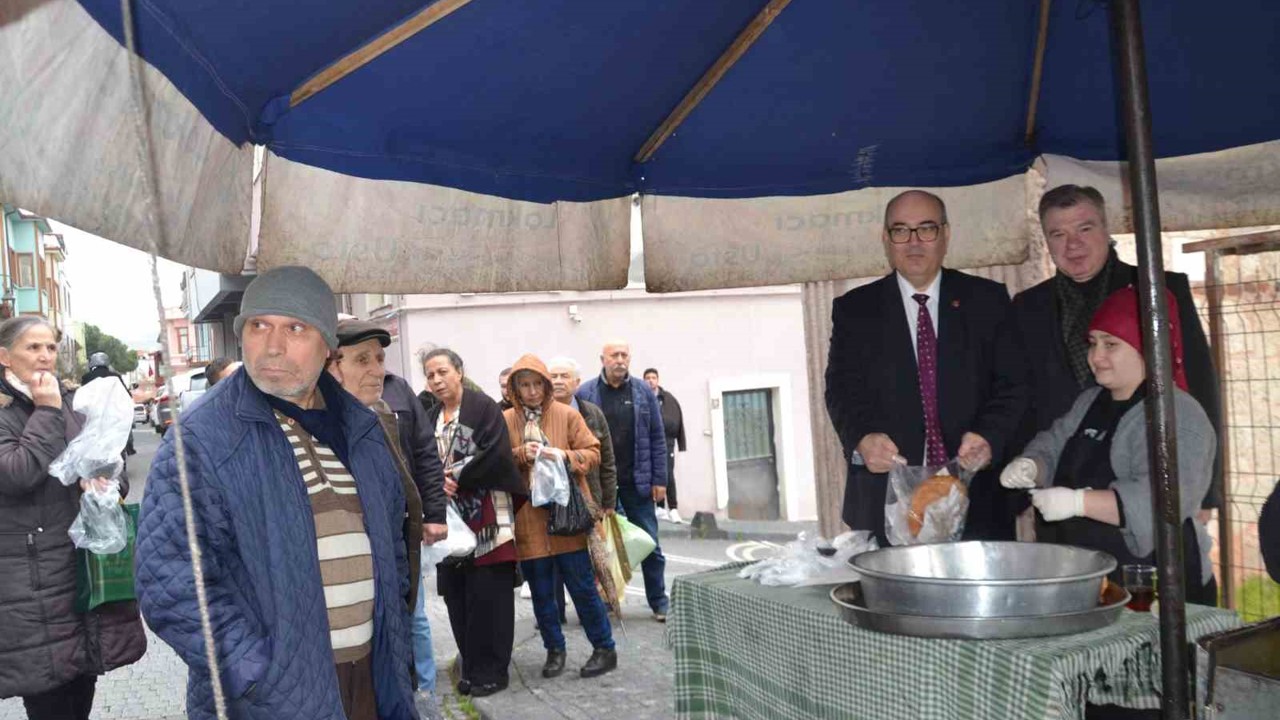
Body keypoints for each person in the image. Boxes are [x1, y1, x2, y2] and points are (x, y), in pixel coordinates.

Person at [136, 266, 417, 719]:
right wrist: (255, 672)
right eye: (258, 325)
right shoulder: (203, 437)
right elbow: (171, 581)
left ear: (327, 346)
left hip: (369, 680)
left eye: (295, 328)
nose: (272, 345)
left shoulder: (361, 430)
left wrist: (395, 646)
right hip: (268, 698)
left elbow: (393, 552)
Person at [824, 190, 1028, 545]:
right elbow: (841, 390)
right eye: (901, 230)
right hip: (887, 498)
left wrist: (989, 436)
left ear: (946, 235)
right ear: (886, 239)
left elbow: (1014, 384)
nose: (914, 242)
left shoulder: (988, 300)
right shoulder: (855, 310)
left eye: (927, 229)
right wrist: (862, 439)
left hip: (976, 496)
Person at [1008, 185, 1222, 521]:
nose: (1073, 244)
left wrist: (1207, 495)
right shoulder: (1027, 307)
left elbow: (1201, 385)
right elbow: (1023, 397)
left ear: (1107, 229)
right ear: (1046, 242)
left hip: (1147, 479)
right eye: (1058, 234)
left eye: (1084, 228)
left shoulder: (1158, 289)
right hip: (1060, 489)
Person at [1002, 286, 1217, 607]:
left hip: (1156, 588)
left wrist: (1078, 503)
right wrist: (1032, 465)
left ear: (1148, 348)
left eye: (1111, 344)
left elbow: (1162, 499)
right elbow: (1054, 440)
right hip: (1092, 580)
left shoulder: (1178, 415)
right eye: (1093, 343)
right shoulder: (1090, 401)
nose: (1095, 356)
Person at [0, 316, 146, 719]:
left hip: (80, 574)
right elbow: (17, 473)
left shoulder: (73, 402)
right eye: (32, 348)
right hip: (31, 586)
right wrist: (46, 410)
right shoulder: (24, 409)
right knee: (49, 697)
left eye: (49, 347)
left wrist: (105, 486)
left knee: (80, 687)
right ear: (4, 357)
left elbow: (104, 464)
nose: (45, 356)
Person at [329, 319, 449, 717]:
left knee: (411, 627)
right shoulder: (313, 430)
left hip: (392, 567)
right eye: (362, 359)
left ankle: (424, 696)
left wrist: (431, 514)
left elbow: (421, 462)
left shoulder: (384, 410)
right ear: (332, 366)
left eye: (379, 359)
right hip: (340, 611)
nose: (377, 369)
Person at [504, 355, 617, 679]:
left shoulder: (567, 415)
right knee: (542, 594)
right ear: (515, 388)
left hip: (569, 521)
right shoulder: (507, 420)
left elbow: (593, 452)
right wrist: (518, 455)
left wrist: (565, 456)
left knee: (582, 588)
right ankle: (555, 651)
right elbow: (497, 461)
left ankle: (604, 647)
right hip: (530, 522)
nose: (532, 391)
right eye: (524, 385)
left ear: (546, 384)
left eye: (537, 383)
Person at [422, 348, 525, 698]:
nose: (436, 380)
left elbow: (496, 452)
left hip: (487, 514)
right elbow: (422, 458)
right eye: (430, 374)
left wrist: (454, 476)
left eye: (442, 372)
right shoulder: (430, 414)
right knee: (456, 593)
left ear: (459, 371)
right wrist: (438, 480)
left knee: (490, 595)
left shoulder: (483, 408)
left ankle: (493, 671)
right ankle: (470, 666)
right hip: (450, 517)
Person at [577, 340, 671, 621]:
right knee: (602, 548)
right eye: (614, 355)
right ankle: (606, 601)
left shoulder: (643, 391)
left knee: (649, 542)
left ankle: (658, 601)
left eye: (624, 355)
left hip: (638, 482)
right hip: (602, 485)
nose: (620, 360)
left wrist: (660, 479)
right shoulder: (587, 393)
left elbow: (657, 437)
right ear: (602, 359)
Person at [543, 356, 619, 624]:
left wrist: (608, 500)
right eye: (553, 376)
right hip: (552, 503)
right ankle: (556, 614)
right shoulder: (539, 415)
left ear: (577, 382)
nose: (559, 381)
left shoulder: (592, 413)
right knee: (552, 563)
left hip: (589, 498)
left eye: (565, 376)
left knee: (592, 559)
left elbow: (606, 458)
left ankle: (600, 608)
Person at [643, 368, 686, 523]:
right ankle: (659, 507)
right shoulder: (641, 397)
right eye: (647, 377)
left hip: (666, 443)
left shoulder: (668, 399)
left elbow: (675, 420)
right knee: (652, 474)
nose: (650, 380)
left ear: (658, 380)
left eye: (653, 377)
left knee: (667, 474)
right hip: (647, 444)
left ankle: (673, 508)